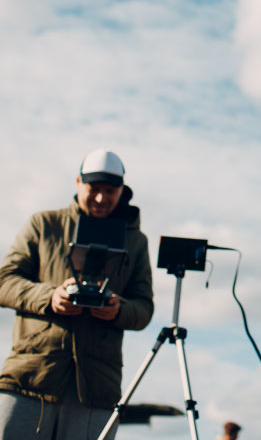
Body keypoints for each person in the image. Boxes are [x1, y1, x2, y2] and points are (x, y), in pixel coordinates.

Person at [0, 149, 154, 440]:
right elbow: (4, 280)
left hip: (97, 388)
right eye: (93, 189)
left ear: (122, 190)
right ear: (77, 183)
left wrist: (118, 309)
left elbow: (144, 307)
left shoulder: (136, 241)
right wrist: (49, 297)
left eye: (110, 190)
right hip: (30, 377)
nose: (101, 198)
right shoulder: (44, 224)